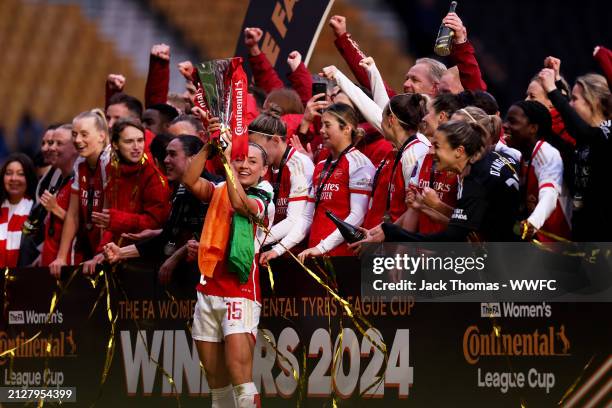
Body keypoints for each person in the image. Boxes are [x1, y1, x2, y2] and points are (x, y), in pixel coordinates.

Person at [182, 140, 274, 408]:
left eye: (252, 161)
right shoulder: (220, 188)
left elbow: (239, 203)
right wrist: (209, 148)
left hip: (240, 291)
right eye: (239, 159)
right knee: (215, 380)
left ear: (264, 170)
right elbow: (189, 180)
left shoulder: (263, 195)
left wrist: (226, 162)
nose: (244, 165)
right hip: (208, 288)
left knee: (239, 376)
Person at [355, 120, 520, 243]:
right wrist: (428, 208)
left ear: (459, 151)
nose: (431, 151)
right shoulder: (492, 159)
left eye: (437, 146)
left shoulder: (475, 181)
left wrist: (391, 233)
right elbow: (470, 221)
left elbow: (451, 238)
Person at [103, 136, 216, 285]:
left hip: (213, 283)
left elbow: (209, 237)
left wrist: (175, 257)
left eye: (173, 154)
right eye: (166, 154)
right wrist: (120, 252)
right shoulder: (181, 190)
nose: (166, 160)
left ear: (194, 159)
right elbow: (167, 237)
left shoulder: (217, 188)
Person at [87, 118, 171, 273]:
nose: (136, 147)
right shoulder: (113, 168)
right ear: (115, 145)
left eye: (140, 140)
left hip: (147, 257)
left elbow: (155, 223)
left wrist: (116, 220)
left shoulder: (153, 173)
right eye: (129, 141)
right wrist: (101, 252)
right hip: (118, 253)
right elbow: (108, 224)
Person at [539, 66, 612, 241]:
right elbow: (570, 125)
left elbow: (585, 133)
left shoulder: (605, 134)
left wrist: (552, 90)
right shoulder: (582, 141)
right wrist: (556, 80)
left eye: (574, 99)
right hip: (583, 237)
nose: (570, 105)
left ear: (592, 102)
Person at [296, 103, 375, 260]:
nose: (321, 130)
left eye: (327, 125)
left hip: (342, 256)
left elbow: (357, 215)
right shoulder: (320, 165)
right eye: (321, 125)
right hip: (314, 252)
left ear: (346, 129)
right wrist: (278, 248)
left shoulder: (360, 163)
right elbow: (307, 217)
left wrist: (322, 247)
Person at [245, 106, 314, 264]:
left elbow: (294, 220)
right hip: (269, 250)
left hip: (293, 254)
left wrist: (253, 243)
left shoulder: (299, 164)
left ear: (276, 140)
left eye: (259, 147)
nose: (256, 152)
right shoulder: (265, 166)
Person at [49, 109, 111, 278]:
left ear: (101, 136)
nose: (77, 140)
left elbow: (108, 215)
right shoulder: (80, 163)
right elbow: (73, 214)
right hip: (93, 247)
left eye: (84, 134)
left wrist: (101, 253)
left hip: (112, 249)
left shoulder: (109, 160)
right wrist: (61, 258)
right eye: (74, 134)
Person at [503, 100, 571, 241]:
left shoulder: (547, 153)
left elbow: (549, 195)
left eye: (512, 122)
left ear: (533, 128)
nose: (505, 126)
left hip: (561, 247)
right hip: (539, 243)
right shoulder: (523, 156)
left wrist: (532, 222)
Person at [40, 125, 79, 266]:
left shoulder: (79, 183)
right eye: (51, 143)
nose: (51, 148)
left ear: (75, 148)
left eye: (59, 143)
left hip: (67, 267)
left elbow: (86, 232)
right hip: (50, 263)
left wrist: (55, 208)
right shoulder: (59, 180)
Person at [0, 154, 37, 267]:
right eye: (9, 173)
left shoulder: (36, 211)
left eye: (21, 174)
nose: (14, 178)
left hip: (24, 277)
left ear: (29, 178)